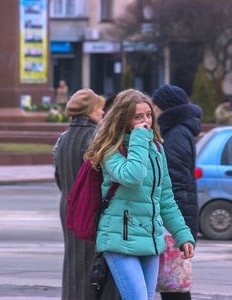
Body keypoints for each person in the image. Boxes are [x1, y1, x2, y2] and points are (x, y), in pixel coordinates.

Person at [84, 89, 195, 300]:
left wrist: (182, 234)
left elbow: (166, 199)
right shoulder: (110, 148)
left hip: (150, 239)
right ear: (124, 119)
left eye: (149, 114)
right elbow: (132, 176)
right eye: (138, 116)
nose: (146, 121)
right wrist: (139, 138)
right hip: (119, 238)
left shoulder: (156, 149)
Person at [151, 84, 201, 300]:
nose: (151, 108)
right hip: (179, 218)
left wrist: (173, 227)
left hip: (175, 220)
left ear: (164, 107)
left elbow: (175, 182)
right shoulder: (178, 130)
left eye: (154, 104)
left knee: (173, 286)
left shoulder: (176, 133)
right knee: (171, 284)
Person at [54, 88, 105, 300]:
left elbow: (58, 175)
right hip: (90, 209)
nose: (102, 113)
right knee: (91, 263)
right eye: (100, 109)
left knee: (73, 261)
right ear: (90, 112)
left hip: (68, 206)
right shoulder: (95, 137)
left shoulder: (63, 138)